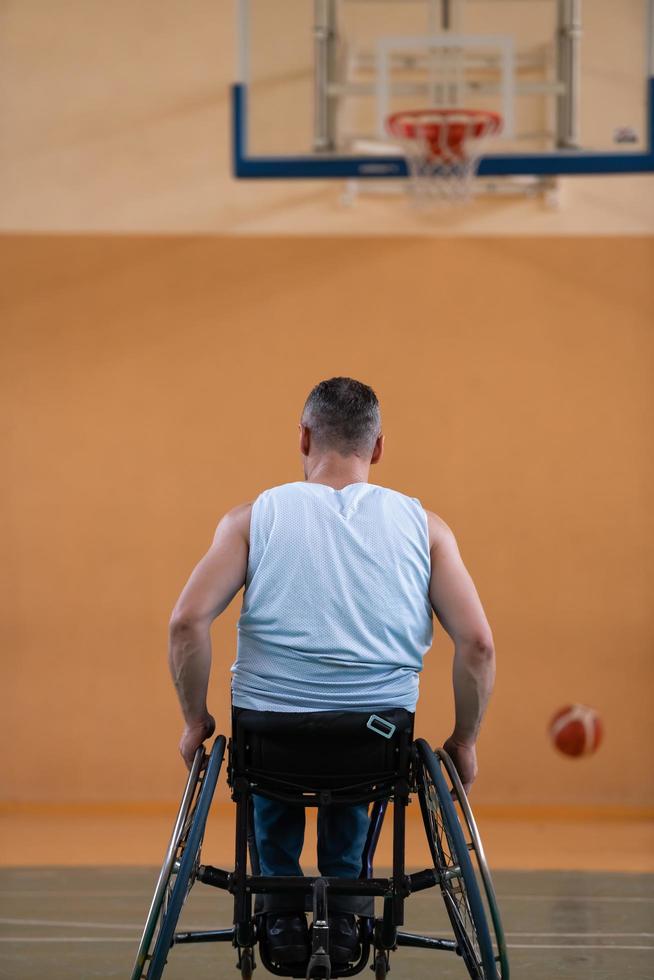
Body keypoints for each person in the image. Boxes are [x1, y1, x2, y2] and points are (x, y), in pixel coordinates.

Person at [168, 376, 495, 966]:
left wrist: (195, 722)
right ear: (377, 448)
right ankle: (347, 912)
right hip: (375, 742)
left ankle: (278, 912)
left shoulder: (252, 519)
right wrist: (464, 741)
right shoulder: (427, 529)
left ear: (303, 438)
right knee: (359, 762)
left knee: (269, 757)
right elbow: (477, 645)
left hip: (270, 741)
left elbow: (187, 623)